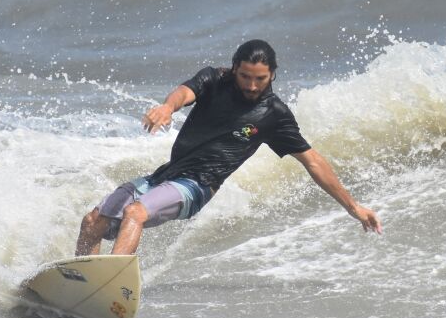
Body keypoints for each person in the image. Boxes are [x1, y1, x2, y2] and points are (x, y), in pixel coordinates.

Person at [77, 40, 382, 256]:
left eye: (260, 79)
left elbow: (313, 161)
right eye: (245, 76)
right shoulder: (215, 79)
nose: (251, 85)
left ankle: (113, 282)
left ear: (273, 74)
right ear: (234, 68)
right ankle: (83, 282)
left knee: (135, 212)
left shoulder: (274, 115)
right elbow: (185, 92)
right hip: (166, 175)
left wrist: (353, 207)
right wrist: (168, 107)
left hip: (197, 186)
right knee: (93, 221)